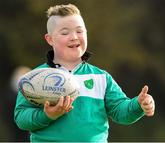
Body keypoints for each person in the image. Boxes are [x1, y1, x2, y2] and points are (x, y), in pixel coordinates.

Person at [14, 4, 155, 142]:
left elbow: (120, 111)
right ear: (50, 39)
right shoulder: (35, 78)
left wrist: (138, 104)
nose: (74, 37)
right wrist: (47, 115)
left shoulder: (101, 77)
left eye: (79, 31)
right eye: (65, 32)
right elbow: (21, 118)